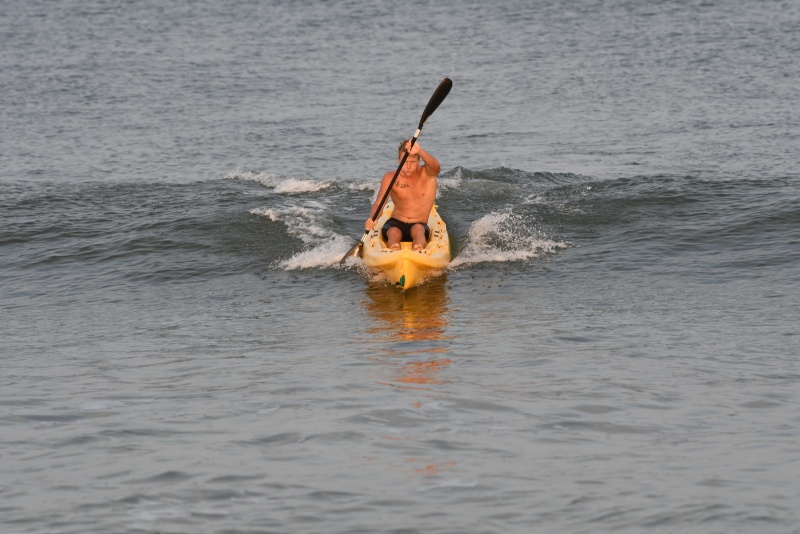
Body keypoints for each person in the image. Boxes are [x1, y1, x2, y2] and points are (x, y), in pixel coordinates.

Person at [364, 139, 441, 251]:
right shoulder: (390, 178)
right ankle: (393, 248)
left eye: (412, 162)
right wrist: (372, 218)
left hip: (419, 224)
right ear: (399, 160)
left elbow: (436, 167)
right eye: (405, 161)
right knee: (393, 232)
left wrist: (420, 151)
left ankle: (418, 249)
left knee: (418, 230)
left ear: (419, 160)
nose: (408, 166)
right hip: (395, 223)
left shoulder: (427, 174)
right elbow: (379, 203)